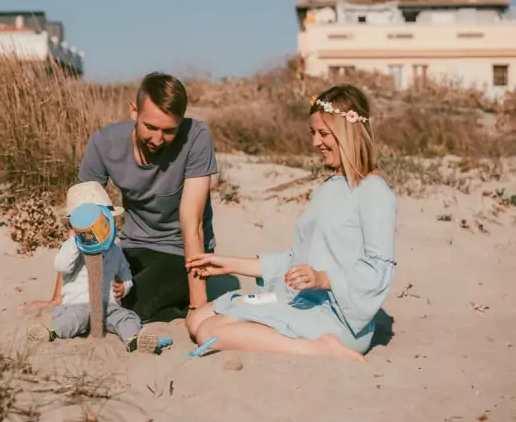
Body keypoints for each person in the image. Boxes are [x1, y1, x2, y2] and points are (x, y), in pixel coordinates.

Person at [185, 84, 398, 361]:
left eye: (324, 134)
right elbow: (295, 262)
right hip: (303, 299)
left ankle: (323, 349)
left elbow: (379, 268)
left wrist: (324, 279)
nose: (315, 143)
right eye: (313, 133)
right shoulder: (331, 185)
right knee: (197, 319)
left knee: (209, 332)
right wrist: (228, 263)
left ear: (349, 132)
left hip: (339, 318)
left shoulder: (373, 190)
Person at [45, 72, 218, 323]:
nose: (158, 139)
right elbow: (81, 218)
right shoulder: (104, 144)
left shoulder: (196, 137)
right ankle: (168, 310)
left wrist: (199, 307)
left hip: (180, 252)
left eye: (169, 130)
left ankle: (179, 306)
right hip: (131, 246)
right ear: (134, 112)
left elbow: (193, 222)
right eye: (150, 127)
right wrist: (58, 297)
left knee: (121, 306)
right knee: (90, 296)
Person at [27, 183, 173, 354]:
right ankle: (50, 333)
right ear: (74, 227)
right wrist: (77, 241)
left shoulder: (115, 249)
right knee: (71, 320)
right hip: (77, 304)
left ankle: (134, 339)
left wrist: (124, 287)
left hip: (108, 306)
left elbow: (126, 273)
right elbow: (62, 266)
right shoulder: (71, 248)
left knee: (125, 318)